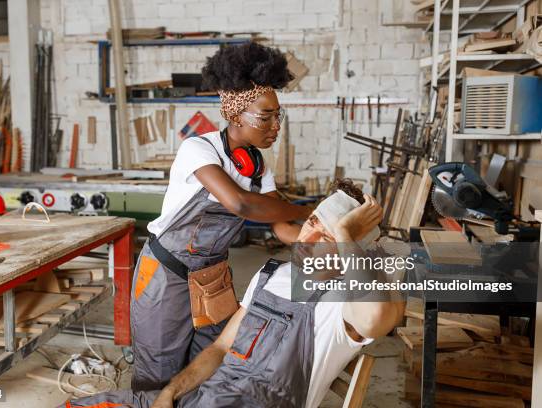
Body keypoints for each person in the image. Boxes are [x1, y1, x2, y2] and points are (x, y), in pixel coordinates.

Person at [61, 184, 406, 408]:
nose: (308, 239)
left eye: (328, 237)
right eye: (311, 222)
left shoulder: (342, 303)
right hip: (203, 398)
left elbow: (376, 319)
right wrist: (170, 393)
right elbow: (221, 348)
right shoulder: (272, 275)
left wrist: (346, 231)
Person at [130, 42, 311, 392]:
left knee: (210, 363)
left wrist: (325, 234)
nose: (275, 126)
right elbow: (241, 204)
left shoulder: (258, 167)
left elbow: (283, 227)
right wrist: (306, 209)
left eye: (278, 115)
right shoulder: (199, 149)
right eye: (265, 116)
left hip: (212, 277)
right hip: (166, 274)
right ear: (235, 114)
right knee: (157, 372)